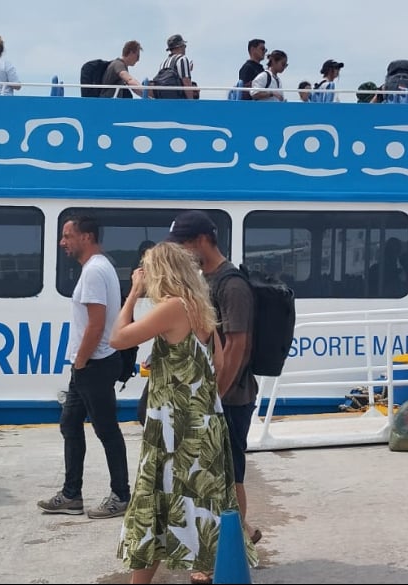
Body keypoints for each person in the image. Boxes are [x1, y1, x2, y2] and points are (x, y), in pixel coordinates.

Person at [111, 242, 256, 584]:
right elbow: (217, 364)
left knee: (157, 505)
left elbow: (118, 338)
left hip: (174, 428)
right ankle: (203, 573)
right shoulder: (201, 309)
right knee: (201, 508)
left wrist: (132, 293)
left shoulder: (173, 307)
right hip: (204, 422)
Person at [168, 210, 263, 546]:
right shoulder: (203, 280)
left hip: (231, 399)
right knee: (211, 474)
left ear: (201, 241)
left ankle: (232, 549)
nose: (179, 252)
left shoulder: (232, 284)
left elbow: (239, 344)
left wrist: (217, 396)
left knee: (230, 475)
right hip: (210, 396)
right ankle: (242, 535)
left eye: (182, 244)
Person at [38, 215, 131, 519]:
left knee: (106, 430)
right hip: (89, 363)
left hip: (94, 363)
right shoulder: (99, 267)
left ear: (87, 237)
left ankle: (121, 495)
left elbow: (96, 322)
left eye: (67, 236)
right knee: (70, 423)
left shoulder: (93, 272)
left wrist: (80, 360)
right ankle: (71, 494)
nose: (62, 242)